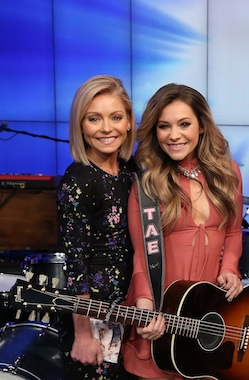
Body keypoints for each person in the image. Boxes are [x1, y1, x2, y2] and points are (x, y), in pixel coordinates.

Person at [122, 84, 244, 380]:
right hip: (163, 317)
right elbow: (141, 255)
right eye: (164, 126)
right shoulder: (147, 184)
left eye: (184, 124)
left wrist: (230, 268)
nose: (174, 135)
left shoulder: (228, 172)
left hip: (209, 316)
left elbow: (233, 231)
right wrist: (146, 308)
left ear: (202, 126)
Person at [56, 75, 138, 379]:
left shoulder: (131, 171)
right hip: (93, 318)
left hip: (129, 310)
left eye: (116, 117)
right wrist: (83, 335)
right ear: (80, 125)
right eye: (94, 119)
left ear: (129, 121)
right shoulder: (78, 181)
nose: (106, 128)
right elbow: (76, 266)